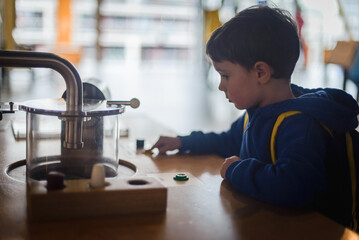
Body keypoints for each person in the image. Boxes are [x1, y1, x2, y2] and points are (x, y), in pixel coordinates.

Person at [150, 5, 359, 230]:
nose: (221, 86)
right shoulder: (259, 112)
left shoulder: (299, 125)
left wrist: (236, 170)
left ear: (261, 73)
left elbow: (293, 187)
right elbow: (229, 140)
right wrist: (183, 141)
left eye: (225, 75)